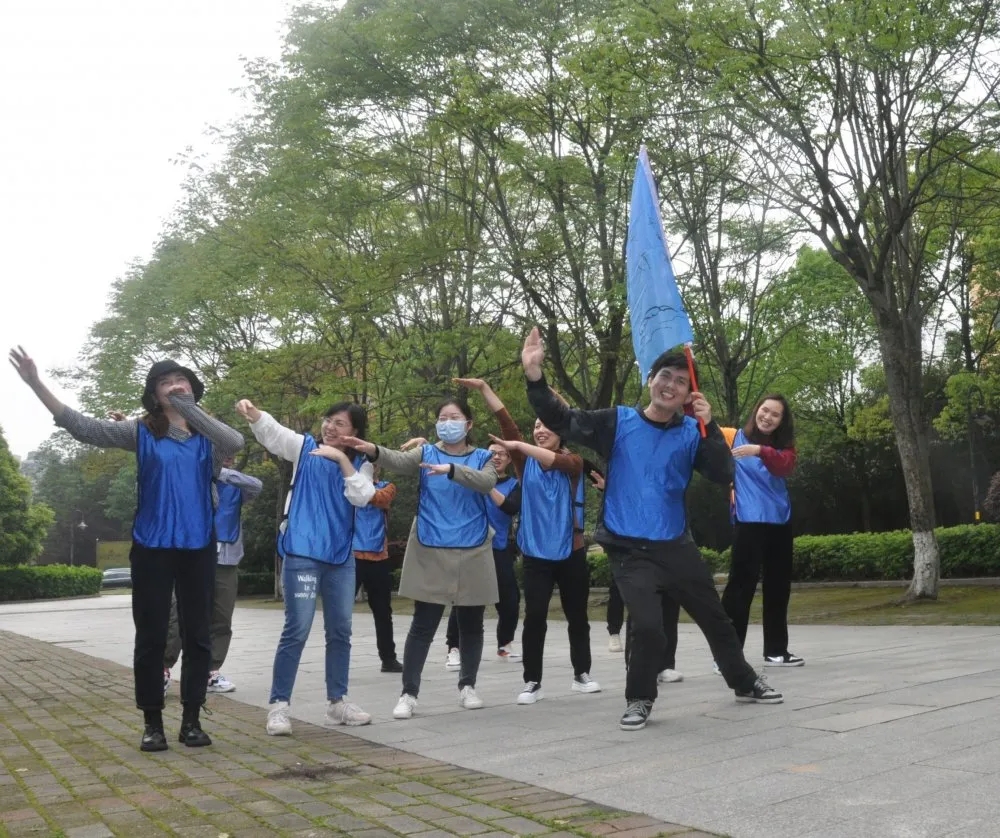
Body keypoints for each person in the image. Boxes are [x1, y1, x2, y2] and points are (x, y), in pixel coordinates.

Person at [520, 328, 783, 732]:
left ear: (688, 394)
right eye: (665, 376)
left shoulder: (691, 432)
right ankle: (639, 697)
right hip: (629, 548)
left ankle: (743, 681)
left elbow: (722, 471)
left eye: (681, 382)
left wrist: (709, 426)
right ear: (650, 380)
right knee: (646, 625)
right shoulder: (617, 422)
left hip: (675, 545)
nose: (671, 385)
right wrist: (535, 376)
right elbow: (562, 420)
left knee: (716, 618)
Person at [10, 348, 244, 752]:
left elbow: (234, 441)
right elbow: (82, 427)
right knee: (151, 637)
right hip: (152, 546)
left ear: (192, 388)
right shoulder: (140, 432)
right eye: (166, 382)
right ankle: (152, 722)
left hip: (198, 545)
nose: (175, 385)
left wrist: (189, 409)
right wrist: (36, 384)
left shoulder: (209, 436)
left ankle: (192, 720)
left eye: (182, 380)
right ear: (154, 395)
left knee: (199, 635)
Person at [339, 398, 498, 720]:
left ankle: (468, 686)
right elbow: (398, 460)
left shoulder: (484, 457)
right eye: (442, 418)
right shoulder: (425, 453)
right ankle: (408, 694)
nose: (447, 423)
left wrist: (452, 470)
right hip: (431, 544)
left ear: (469, 424)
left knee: (471, 623)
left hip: (473, 546)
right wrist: (371, 449)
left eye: (454, 417)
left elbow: (487, 482)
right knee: (423, 623)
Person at [235, 399, 376, 735]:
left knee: (340, 630)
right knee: (297, 628)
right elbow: (275, 434)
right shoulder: (304, 448)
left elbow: (362, 497)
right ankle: (279, 706)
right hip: (302, 554)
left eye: (340, 423)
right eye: (328, 419)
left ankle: (337, 703)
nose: (330, 427)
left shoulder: (361, 463)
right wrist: (256, 415)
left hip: (339, 558)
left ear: (354, 432)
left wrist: (342, 459)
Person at [456, 377, 600, 705]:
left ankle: (582, 673)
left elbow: (555, 459)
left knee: (577, 616)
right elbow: (506, 423)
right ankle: (532, 681)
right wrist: (485, 389)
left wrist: (520, 445)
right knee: (534, 617)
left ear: (561, 430)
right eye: (536, 426)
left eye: (547, 424)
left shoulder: (574, 463)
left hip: (571, 551)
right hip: (535, 555)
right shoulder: (524, 462)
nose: (539, 430)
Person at [164, 458, 263, 694]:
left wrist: (222, 473)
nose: (228, 458)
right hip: (192, 557)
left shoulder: (237, 486)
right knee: (179, 615)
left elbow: (257, 485)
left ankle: (210, 672)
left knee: (221, 618)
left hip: (226, 561)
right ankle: (163, 670)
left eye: (230, 455)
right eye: (221, 453)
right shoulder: (190, 479)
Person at [719, 395, 802, 667]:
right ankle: (727, 656)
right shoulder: (732, 436)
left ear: (782, 421)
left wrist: (759, 450)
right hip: (748, 521)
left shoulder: (785, 448)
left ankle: (776, 650)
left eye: (775, 415)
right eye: (764, 410)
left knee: (778, 587)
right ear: (756, 410)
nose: (767, 417)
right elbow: (701, 428)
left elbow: (784, 466)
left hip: (779, 521)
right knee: (739, 588)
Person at [591, 468, 683, 684]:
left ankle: (666, 664)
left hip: (670, 541)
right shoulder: (630, 468)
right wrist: (610, 490)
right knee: (642, 611)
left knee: (670, 606)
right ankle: (637, 666)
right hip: (637, 547)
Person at [441, 440, 523, 663]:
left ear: (508, 460)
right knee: (464, 599)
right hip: (469, 547)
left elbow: (511, 507)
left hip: (498, 548)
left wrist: (487, 485)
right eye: (492, 453)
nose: (497, 457)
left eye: (502, 454)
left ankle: (505, 643)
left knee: (510, 600)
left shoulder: (514, 484)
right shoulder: (470, 479)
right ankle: (454, 648)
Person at [353, 466, 404, 673]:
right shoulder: (347, 487)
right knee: (340, 614)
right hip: (351, 557)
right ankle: (338, 662)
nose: (368, 466)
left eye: (372, 463)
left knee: (383, 612)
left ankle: (388, 659)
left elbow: (381, 499)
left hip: (378, 557)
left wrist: (357, 487)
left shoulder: (387, 487)